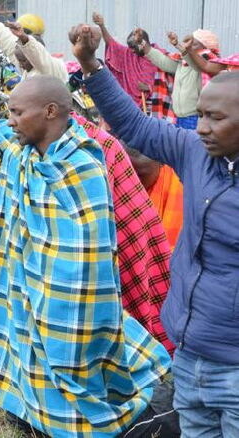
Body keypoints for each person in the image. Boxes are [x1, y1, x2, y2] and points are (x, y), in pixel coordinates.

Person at [0, 30, 172, 437]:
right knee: (32, 366)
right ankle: (42, 415)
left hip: (72, 300)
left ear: (51, 111)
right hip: (28, 290)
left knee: (76, 366)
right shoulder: (22, 155)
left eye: (17, 113)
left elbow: (87, 253)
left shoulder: (82, 164)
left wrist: (56, 295)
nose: (10, 120)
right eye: (9, 113)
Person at [72, 23, 239, 437]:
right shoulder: (197, 155)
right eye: (199, 114)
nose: (200, 128)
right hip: (187, 355)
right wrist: (91, 65)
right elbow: (135, 126)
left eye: (214, 118)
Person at [142, 29, 220, 129]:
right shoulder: (182, 62)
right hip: (178, 117)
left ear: (205, 47)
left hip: (195, 118)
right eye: (189, 43)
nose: (190, 46)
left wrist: (181, 48)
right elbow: (164, 62)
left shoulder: (208, 62)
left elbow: (197, 64)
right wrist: (146, 48)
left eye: (194, 44)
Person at [0, 3, 67, 83]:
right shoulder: (26, 65)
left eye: (23, 61)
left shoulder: (51, 67)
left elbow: (34, 52)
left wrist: (23, 38)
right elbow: (4, 37)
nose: (20, 64)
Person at [92, 12, 157, 108]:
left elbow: (165, 84)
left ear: (143, 44)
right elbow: (111, 44)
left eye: (134, 47)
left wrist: (148, 87)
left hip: (150, 106)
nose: (131, 50)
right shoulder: (129, 54)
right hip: (128, 105)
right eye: (130, 47)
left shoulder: (156, 57)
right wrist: (102, 26)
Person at [126, 147, 183, 249]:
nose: (133, 182)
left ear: (161, 163)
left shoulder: (181, 189)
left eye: (139, 175)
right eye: (128, 175)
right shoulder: (113, 182)